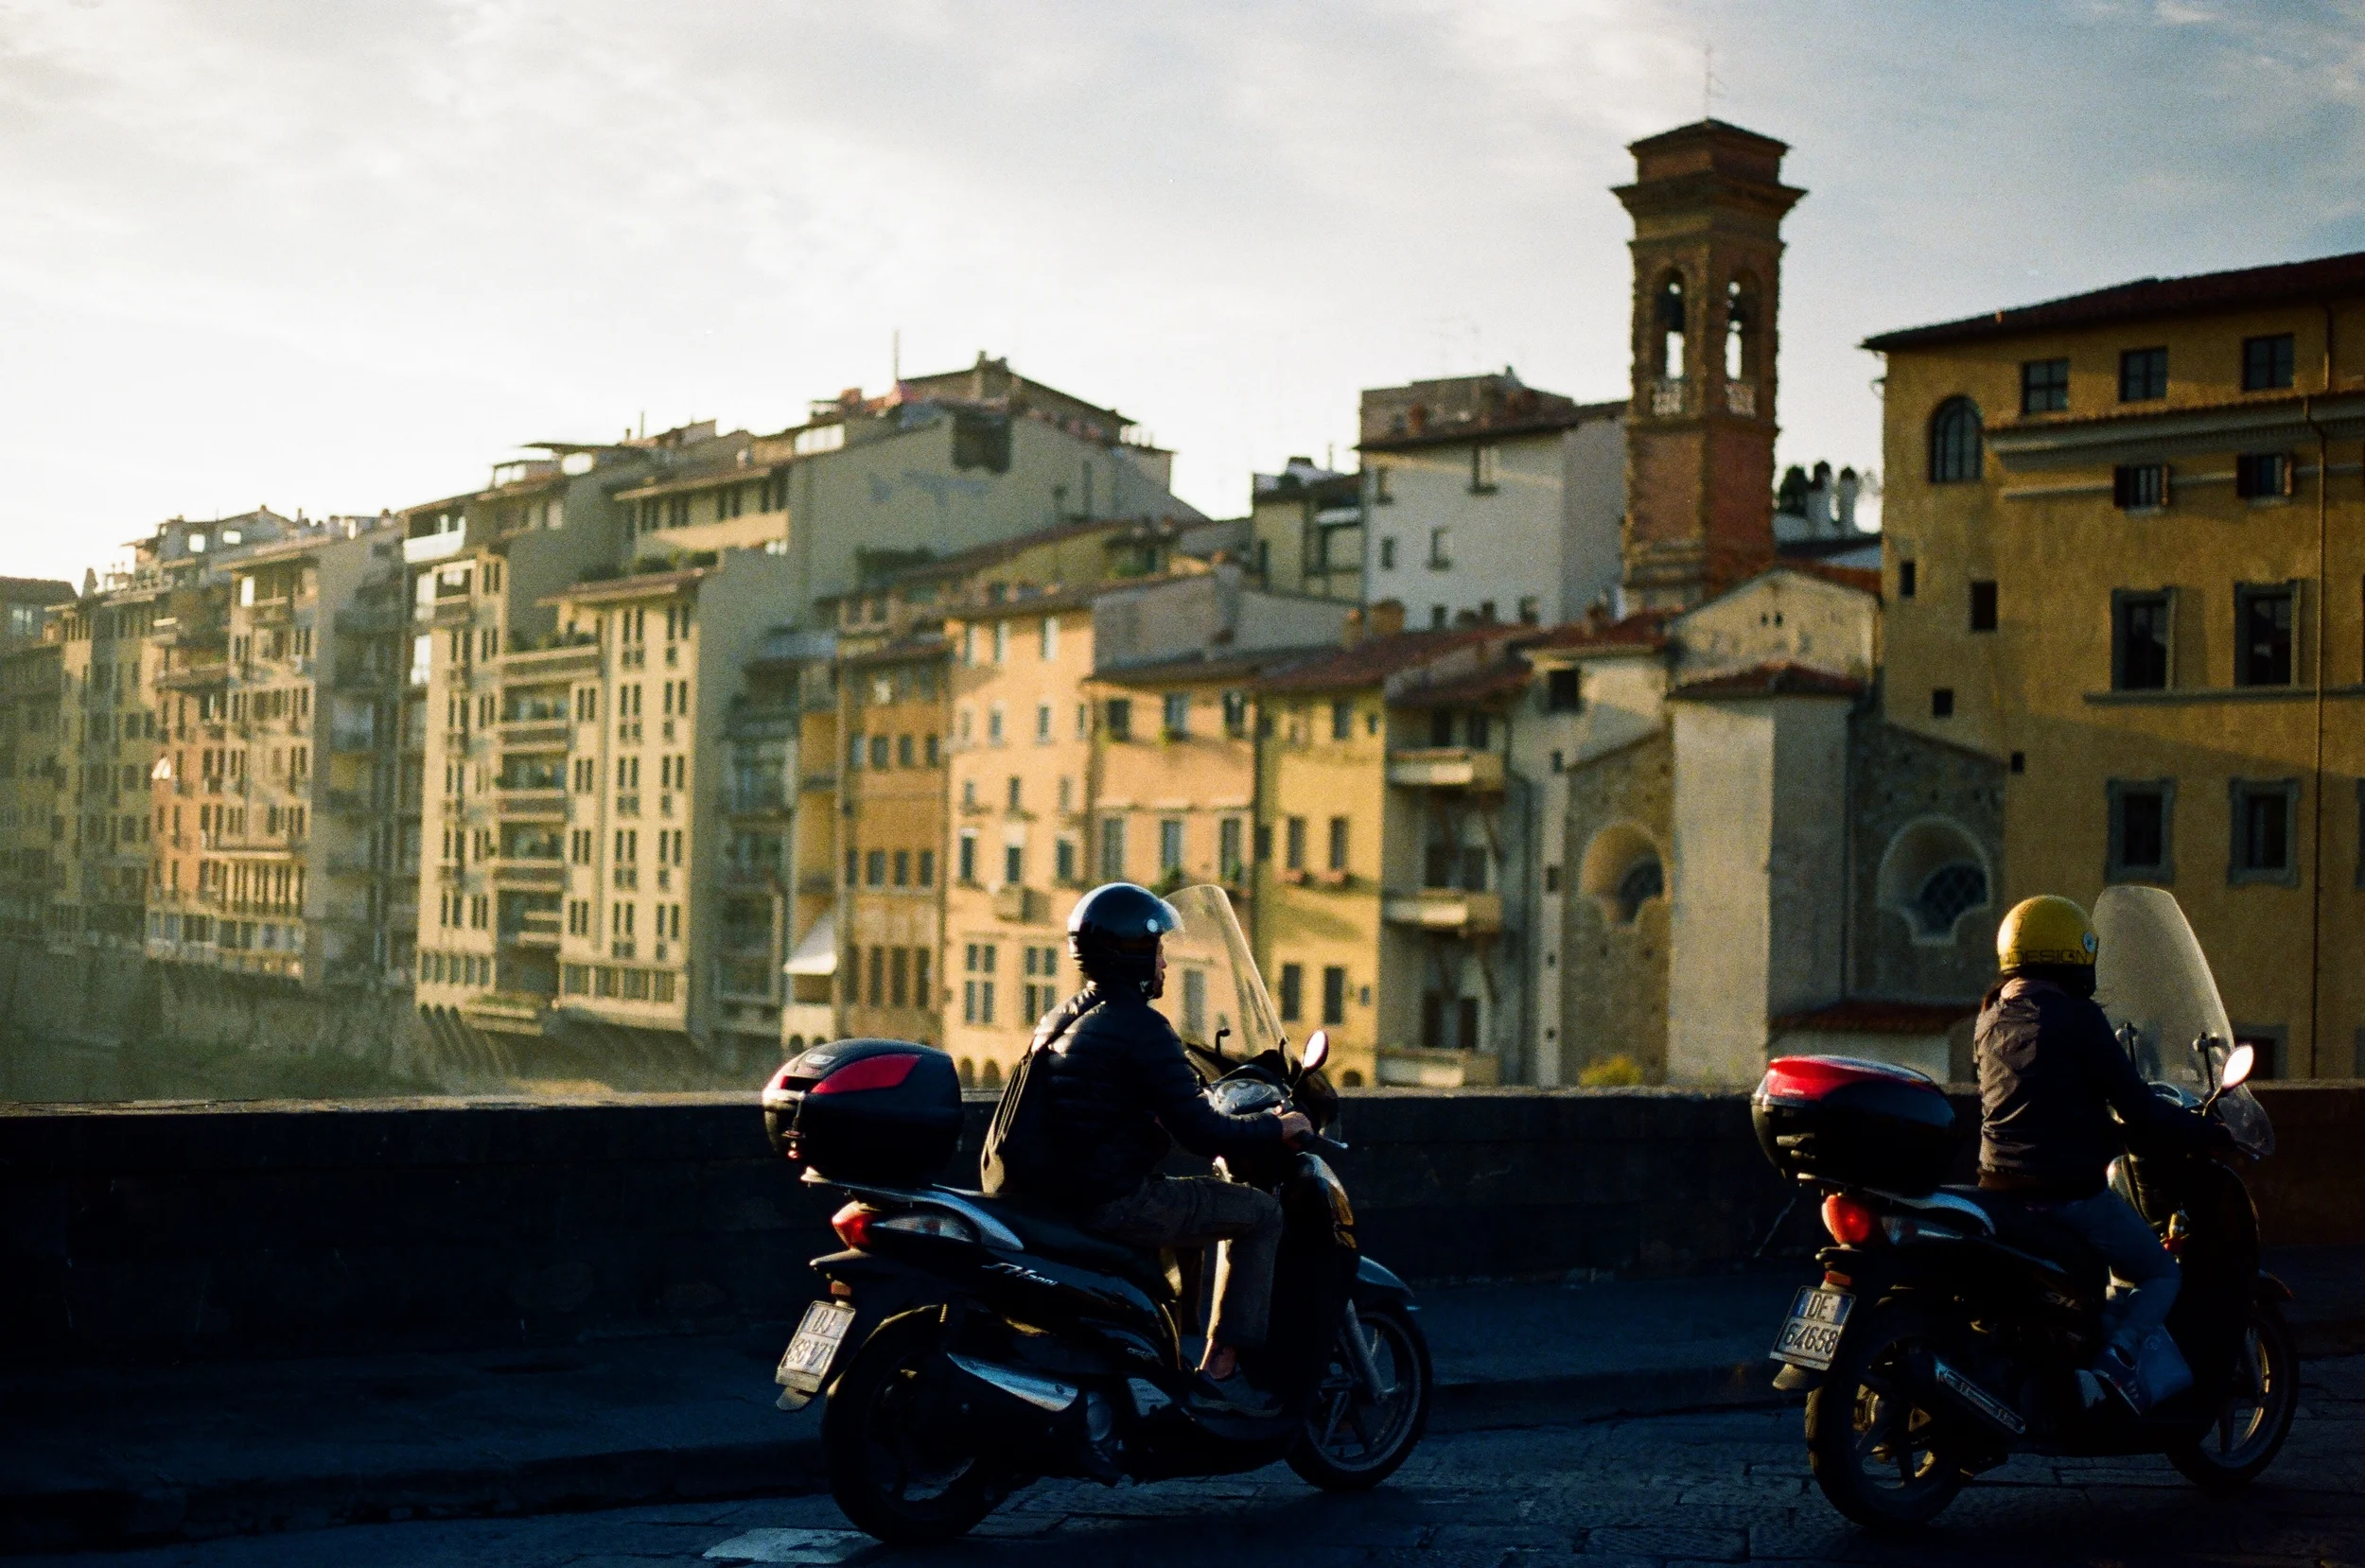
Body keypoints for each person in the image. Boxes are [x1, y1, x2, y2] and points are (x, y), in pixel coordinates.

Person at [981, 882, 1311, 1418]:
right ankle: (1223, 1367)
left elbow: (1115, 1099)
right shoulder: (1141, 1027)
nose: (1165, 964)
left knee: (1195, 1210)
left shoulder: (1062, 1019)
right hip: (1114, 1203)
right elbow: (1203, 1134)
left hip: (1060, 1197)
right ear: (1133, 953)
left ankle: (1170, 1351)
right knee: (1260, 1212)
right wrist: (1276, 1130)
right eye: (1159, 950)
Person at [1975, 894, 2234, 1410]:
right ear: (2076, 957)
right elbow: (2137, 1107)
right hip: (2068, 1195)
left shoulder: (1990, 1018)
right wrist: (2203, 1131)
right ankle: (2117, 1360)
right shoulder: (2077, 1019)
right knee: (2162, 1272)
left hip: (2000, 1193)